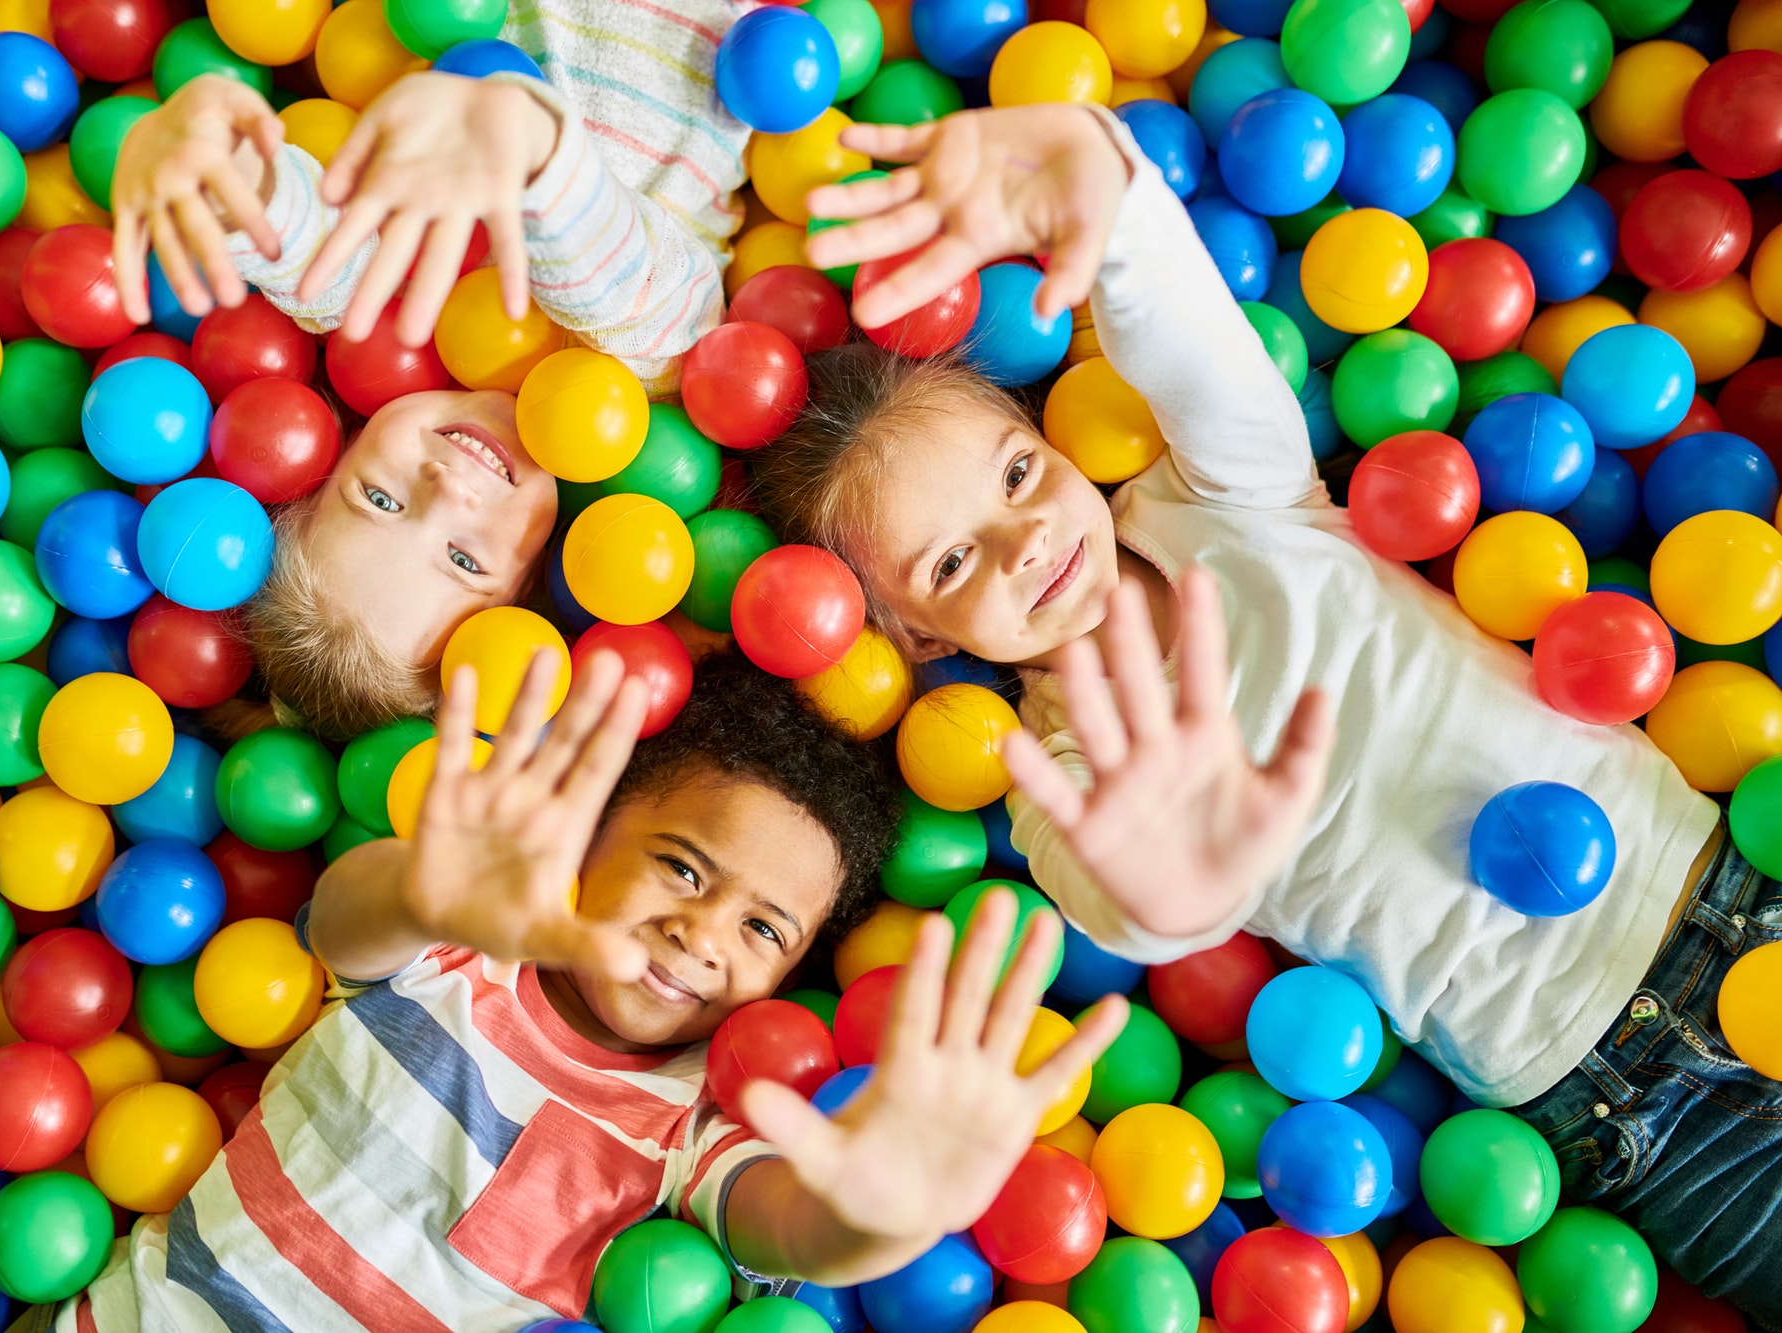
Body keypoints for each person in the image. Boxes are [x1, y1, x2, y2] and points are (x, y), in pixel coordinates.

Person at [751, 101, 1781, 1313]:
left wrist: (1099, 185)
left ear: (1052, 441)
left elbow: (1182, 329)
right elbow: (1128, 902)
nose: (1024, 542)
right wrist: (1176, 889)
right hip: (1609, 1095)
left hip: (1727, 880)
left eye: (1019, 475)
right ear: (919, 638)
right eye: (950, 565)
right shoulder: (1055, 774)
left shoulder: (1223, 500)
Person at [19, 649, 1141, 1332]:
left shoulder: (695, 1114)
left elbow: (782, 1221)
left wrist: (873, 1216)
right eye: (681, 866)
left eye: (760, 929)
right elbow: (344, 925)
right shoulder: (463, 951)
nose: (699, 930)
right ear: (590, 838)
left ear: (788, 980)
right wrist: (428, 888)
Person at [109, 0, 752, 737]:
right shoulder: (640, 381)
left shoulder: (400, 312)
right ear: (532, 587)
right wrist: (530, 151)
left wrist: (210, 173)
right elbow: (632, 281)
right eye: (462, 558)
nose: (444, 489)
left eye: (379, 499)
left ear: (334, 451)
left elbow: (303, 245)